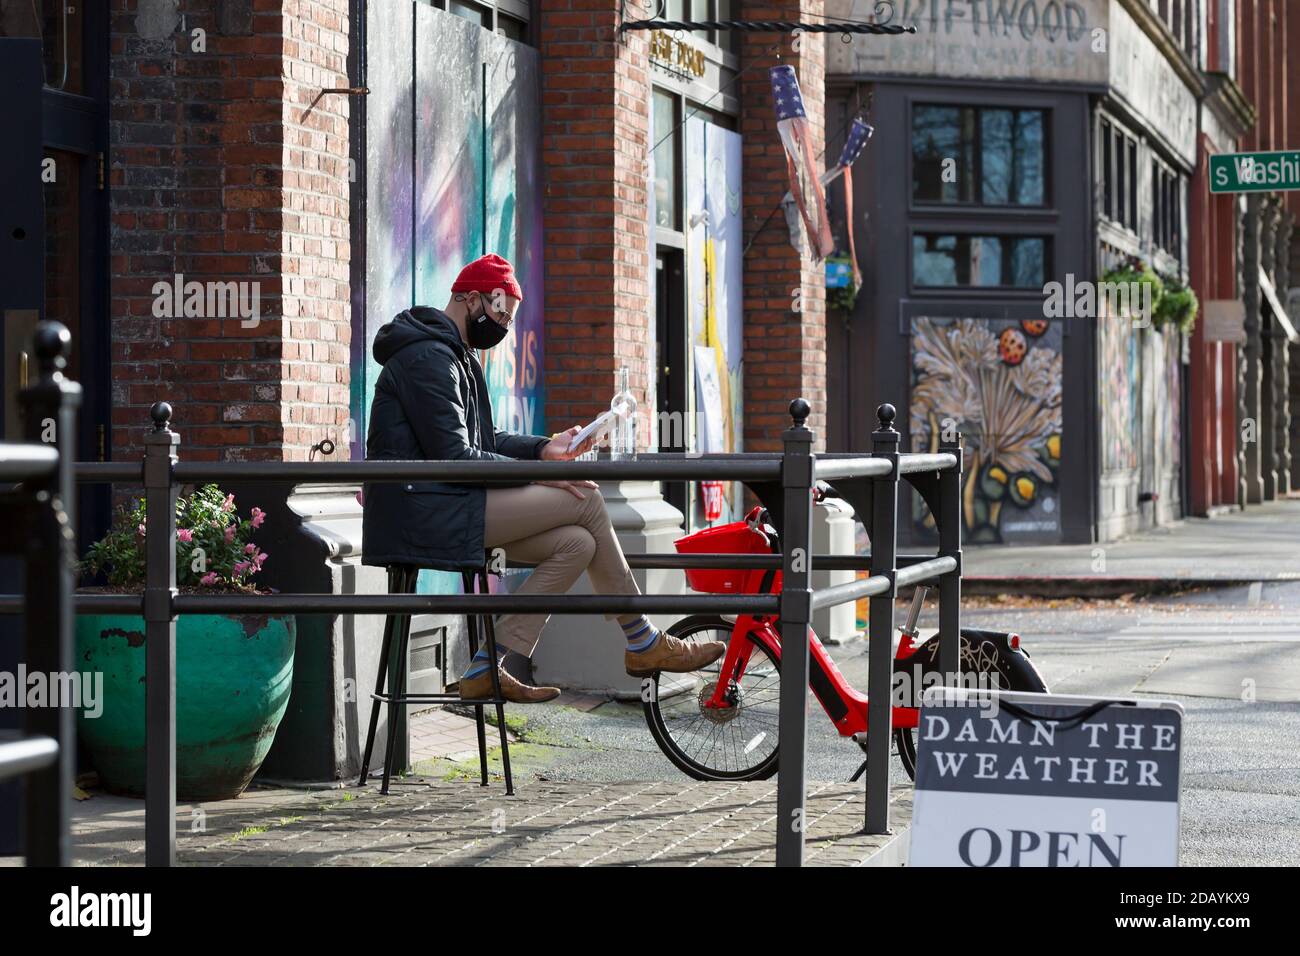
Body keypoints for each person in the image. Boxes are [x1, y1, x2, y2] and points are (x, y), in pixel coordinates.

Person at [361, 253, 725, 703]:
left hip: (446, 503)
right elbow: (455, 455)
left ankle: (486, 664)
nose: (503, 327)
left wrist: (543, 449)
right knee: (586, 500)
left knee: (578, 543)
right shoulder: (429, 357)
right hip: (424, 511)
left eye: (509, 320)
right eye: (500, 314)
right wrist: (543, 473)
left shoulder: (454, 355)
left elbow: (484, 438)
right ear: (471, 299)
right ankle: (643, 640)